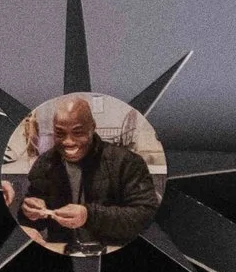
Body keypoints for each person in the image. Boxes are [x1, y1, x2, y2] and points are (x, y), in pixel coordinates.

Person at [11, 95, 160, 249]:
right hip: (64, 249)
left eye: (78, 132)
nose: (68, 142)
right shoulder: (45, 163)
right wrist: (30, 212)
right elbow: (29, 221)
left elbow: (146, 216)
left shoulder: (126, 162)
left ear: (92, 127)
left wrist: (89, 216)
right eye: (60, 133)